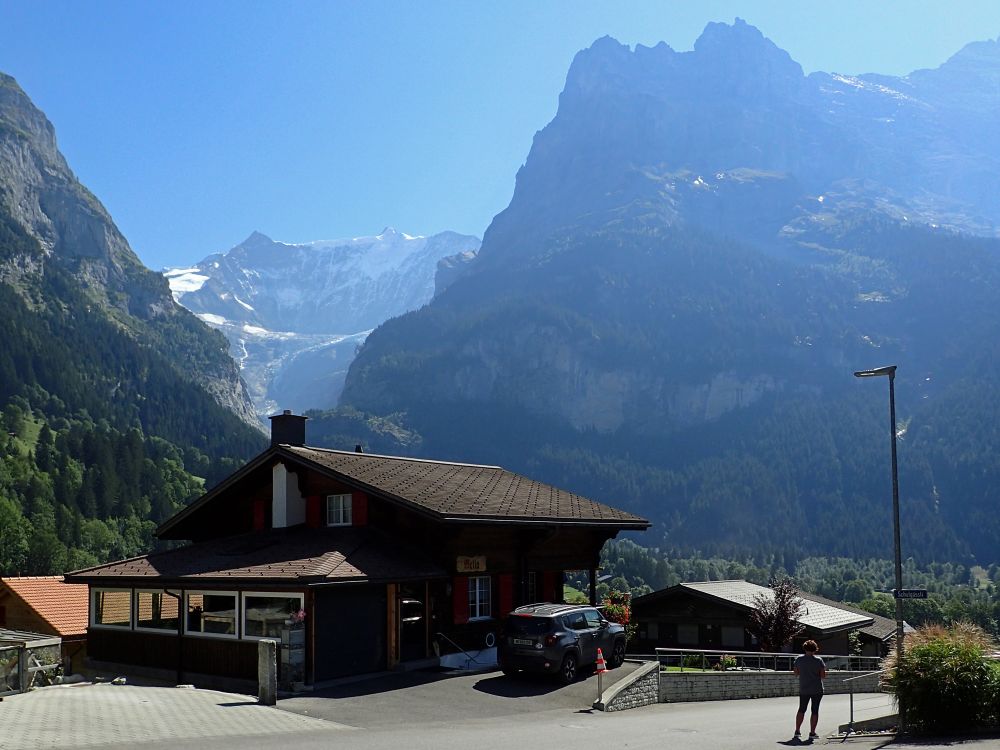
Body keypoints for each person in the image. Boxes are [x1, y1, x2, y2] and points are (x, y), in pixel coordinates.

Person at [793, 640, 827, 739]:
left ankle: (797, 731)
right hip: (817, 689)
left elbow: (796, 673)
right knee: (815, 710)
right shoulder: (819, 660)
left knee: (802, 709)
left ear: (805, 648)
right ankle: (812, 732)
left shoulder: (798, 659)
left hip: (804, 688)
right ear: (815, 649)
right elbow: (823, 676)